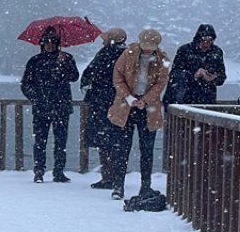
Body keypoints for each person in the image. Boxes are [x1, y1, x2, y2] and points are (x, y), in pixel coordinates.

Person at [108, 29, 170, 200]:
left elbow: (161, 83)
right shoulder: (128, 53)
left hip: (148, 109)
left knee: (147, 149)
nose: (148, 49)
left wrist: (146, 100)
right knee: (122, 148)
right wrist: (128, 97)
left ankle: (146, 186)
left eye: (151, 47)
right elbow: (117, 76)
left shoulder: (163, 59)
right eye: (146, 46)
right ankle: (118, 186)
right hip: (126, 107)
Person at [20, 26, 80, 183]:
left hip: (62, 107)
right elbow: (25, 84)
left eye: (53, 41)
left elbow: (74, 77)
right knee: (40, 141)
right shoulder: (35, 61)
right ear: (41, 44)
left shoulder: (67, 58)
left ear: (58, 43)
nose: (49, 45)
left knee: (61, 142)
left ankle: (58, 172)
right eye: (46, 42)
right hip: (41, 107)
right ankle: (39, 171)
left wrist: (64, 65)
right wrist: (36, 98)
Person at [80, 28, 128, 190]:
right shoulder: (126, 54)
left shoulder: (106, 54)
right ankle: (115, 176)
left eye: (105, 38)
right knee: (116, 141)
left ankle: (108, 176)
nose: (103, 41)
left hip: (102, 103)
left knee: (105, 142)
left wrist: (91, 83)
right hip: (119, 103)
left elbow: (91, 73)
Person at [164, 24, 226, 106]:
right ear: (198, 39)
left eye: (209, 41)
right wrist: (194, 76)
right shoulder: (185, 50)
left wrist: (213, 78)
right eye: (203, 40)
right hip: (185, 98)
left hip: (208, 99)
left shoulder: (216, 52)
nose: (206, 44)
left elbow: (222, 76)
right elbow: (175, 74)